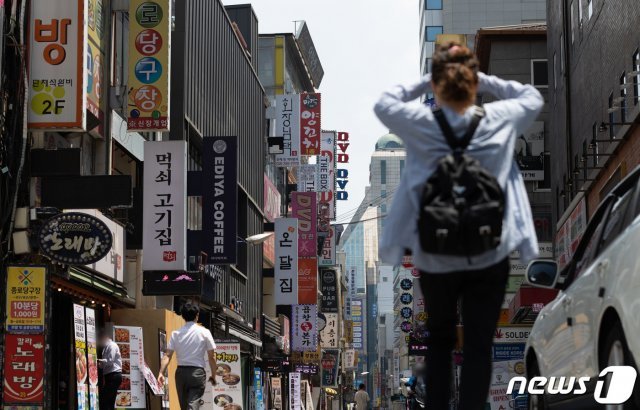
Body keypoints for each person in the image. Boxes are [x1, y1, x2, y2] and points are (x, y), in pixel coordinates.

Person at [374, 42, 543, 409]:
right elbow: (531, 96)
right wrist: (484, 80)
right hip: (489, 250)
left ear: (438, 83)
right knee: (480, 344)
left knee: (440, 339)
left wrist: (428, 83)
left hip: (436, 253)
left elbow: (384, 103)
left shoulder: (421, 124)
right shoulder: (499, 119)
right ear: (473, 82)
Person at [158, 302, 217, 410]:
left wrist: (161, 372)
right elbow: (211, 357)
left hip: (180, 373)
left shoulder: (176, 333)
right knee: (192, 405)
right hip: (197, 373)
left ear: (183, 316)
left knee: (184, 406)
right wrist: (213, 375)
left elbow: (167, 355)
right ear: (197, 315)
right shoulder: (205, 332)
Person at [97, 329, 122, 410]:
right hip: (110, 376)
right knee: (109, 401)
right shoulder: (105, 348)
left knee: (105, 399)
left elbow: (110, 361)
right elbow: (105, 364)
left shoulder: (112, 345)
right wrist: (98, 365)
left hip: (114, 375)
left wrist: (98, 360)